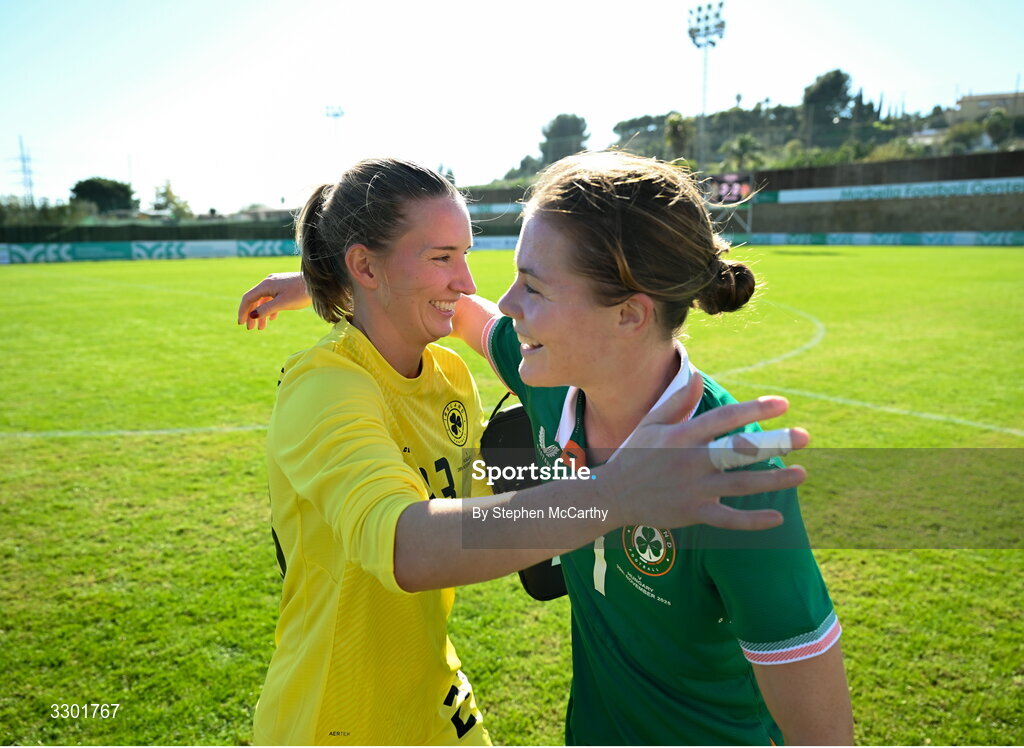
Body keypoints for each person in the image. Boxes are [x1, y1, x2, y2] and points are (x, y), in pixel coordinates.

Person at [238, 155, 815, 746]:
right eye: (443, 257)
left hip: (436, 702)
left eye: (467, 256)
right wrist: (611, 494)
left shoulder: (451, 378)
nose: (474, 284)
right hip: (335, 718)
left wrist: (585, 485)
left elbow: (471, 339)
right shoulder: (339, 386)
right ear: (363, 264)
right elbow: (404, 543)